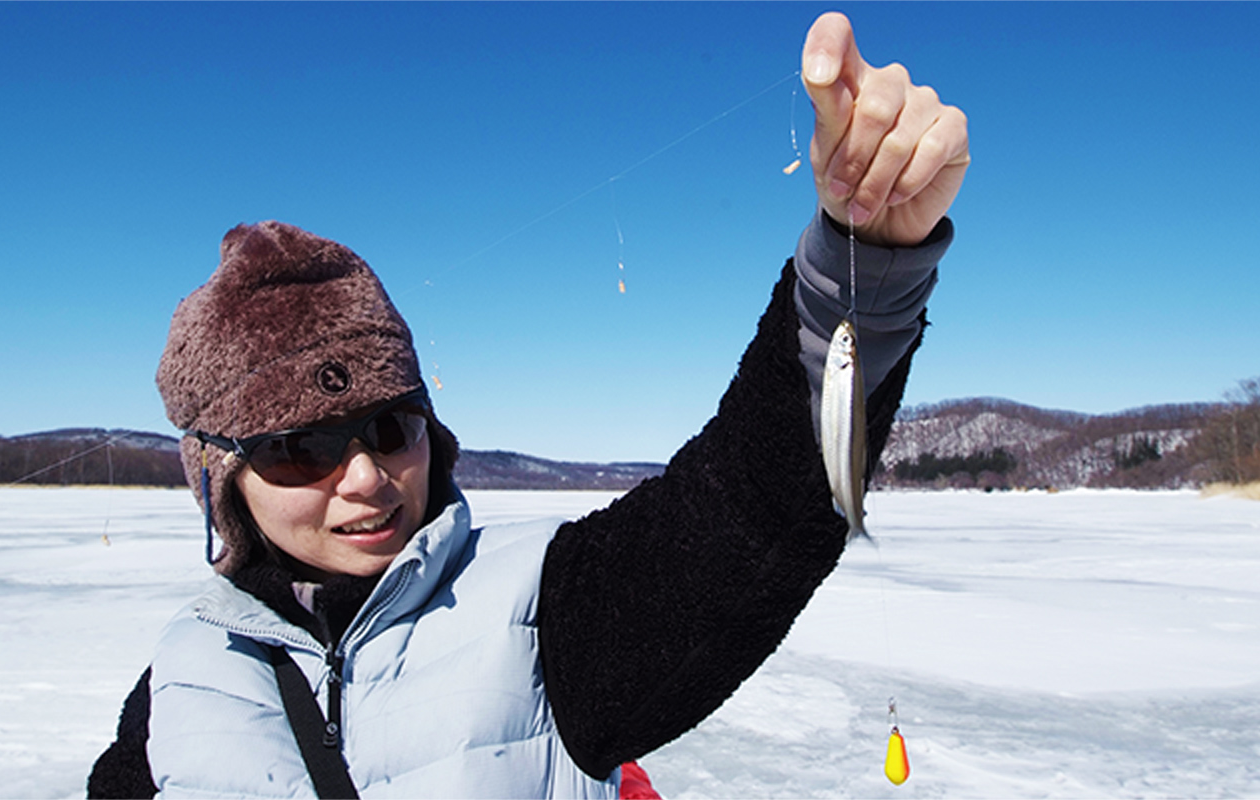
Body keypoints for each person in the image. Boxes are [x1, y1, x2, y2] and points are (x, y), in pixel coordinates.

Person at [88, 11, 968, 799]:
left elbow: (747, 504)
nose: (365, 477)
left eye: (391, 428)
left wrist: (865, 261)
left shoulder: (545, 612)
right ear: (220, 482)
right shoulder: (182, 688)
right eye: (300, 449)